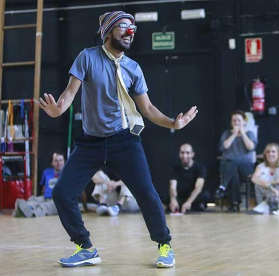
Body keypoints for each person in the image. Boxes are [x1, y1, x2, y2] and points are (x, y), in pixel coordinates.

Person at [37, 11, 197, 268]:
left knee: (147, 194)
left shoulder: (134, 68)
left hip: (125, 140)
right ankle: (85, 247)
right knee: (62, 193)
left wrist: (173, 123)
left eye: (132, 27)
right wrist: (57, 110)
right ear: (108, 31)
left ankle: (164, 244)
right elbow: (67, 95)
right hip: (90, 142)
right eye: (123, 26)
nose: (129, 31)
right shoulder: (87, 57)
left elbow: (148, 109)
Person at [215, 110, 257, 212]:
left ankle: (222, 186)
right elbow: (223, 147)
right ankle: (235, 204)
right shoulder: (226, 134)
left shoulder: (250, 133)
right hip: (229, 168)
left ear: (244, 122)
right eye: (234, 121)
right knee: (233, 173)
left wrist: (242, 134)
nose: (236, 123)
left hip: (245, 166)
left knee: (232, 162)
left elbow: (251, 147)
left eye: (238, 120)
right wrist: (233, 135)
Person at [13, 151, 64, 218]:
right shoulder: (46, 172)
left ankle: (30, 213)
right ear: (51, 163)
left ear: (64, 161)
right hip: (46, 197)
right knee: (33, 199)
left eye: (61, 160)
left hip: (58, 200)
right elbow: (44, 187)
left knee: (44, 206)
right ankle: (25, 208)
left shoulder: (67, 173)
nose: (59, 163)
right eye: (56, 161)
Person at [163, 143, 209, 214]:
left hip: (193, 198)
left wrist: (188, 202)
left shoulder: (200, 168)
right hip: (180, 197)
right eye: (182, 153)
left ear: (192, 154)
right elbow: (172, 187)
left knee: (206, 195)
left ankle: (188, 206)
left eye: (187, 153)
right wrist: (173, 199)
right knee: (163, 195)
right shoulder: (175, 169)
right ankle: (186, 207)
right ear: (179, 154)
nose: (185, 156)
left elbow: (198, 188)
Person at [251, 143, 279, 215]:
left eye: (273, 152)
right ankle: (265, 205)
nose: (270, 154)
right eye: (268, 152)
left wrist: (273, 182)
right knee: (259, 182)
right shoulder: (260, 166)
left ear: (278, 154)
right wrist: (270, 187)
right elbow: (254, 178)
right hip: (266, 196)